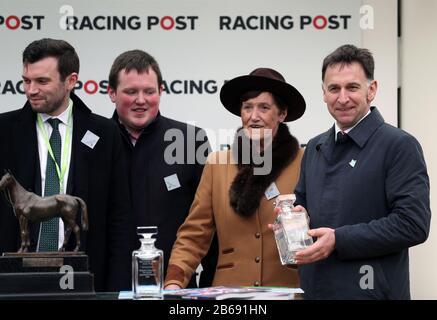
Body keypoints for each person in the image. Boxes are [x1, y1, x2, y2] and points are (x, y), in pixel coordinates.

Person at [292, 44, 431, 299]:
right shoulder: (314, 147)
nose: (342, 98)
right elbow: (302, 207)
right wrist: (293, 220)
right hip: (315, 292)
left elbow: (413, 224)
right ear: (323, 93)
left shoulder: (399, 145)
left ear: (372, 90)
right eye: (334, 88)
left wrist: (339, 239)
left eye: (352, 87)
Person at [0, 38, 133, 292]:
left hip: (84, 280)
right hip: (12, 282)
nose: (31, 90)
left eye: (42, 81)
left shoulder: (106, 133)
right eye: (26, 81)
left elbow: (119, 219)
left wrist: (116, 291)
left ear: (71, 81)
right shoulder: (3, 132)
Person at [164, 68, 306, 289]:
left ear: (282, 113)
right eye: (247, 107)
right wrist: (174, 282)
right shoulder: (216, 165)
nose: (253, 116)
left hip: (289, 290)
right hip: (231, 295)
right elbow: (193, 236)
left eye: (264, 107)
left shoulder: (306, 162)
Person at [107, 49, 217, 288]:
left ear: (161, 92)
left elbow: (207, 221)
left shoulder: (190, 140)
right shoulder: (95, 140)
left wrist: (211, 282)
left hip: (175, 286)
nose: (141, 100)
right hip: (107, 287)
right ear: (111, 93)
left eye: (149, 91)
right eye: (130, 91)